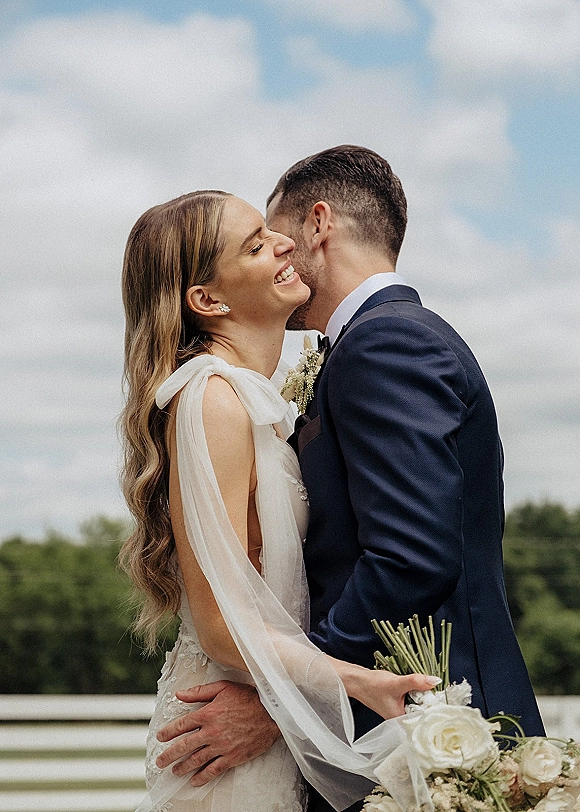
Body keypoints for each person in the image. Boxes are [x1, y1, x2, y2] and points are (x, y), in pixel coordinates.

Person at [154, 147, 546, 812]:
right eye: (257, 247)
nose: (276, 251)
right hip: (380, 738)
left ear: (318, 224)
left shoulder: (383, 343)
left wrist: (284, 701)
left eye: (275, 234)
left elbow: (409, 557)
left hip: (431, 734)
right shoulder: (360, 349)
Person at [120, 189, 438, 812]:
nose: (284, 243)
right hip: (222, 728)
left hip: (268, 715)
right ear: (208, 300)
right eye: (256, 244)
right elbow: (218, 626)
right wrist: (354, 680)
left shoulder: (248, 400)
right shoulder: (210, 400)